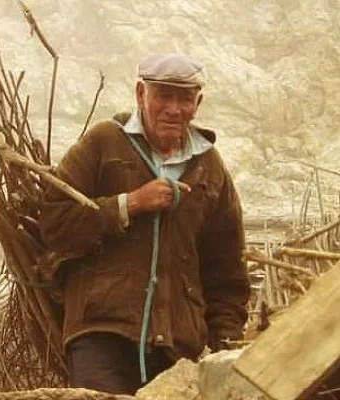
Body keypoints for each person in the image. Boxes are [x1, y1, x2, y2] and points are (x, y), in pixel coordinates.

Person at [38, 53, 250, 395]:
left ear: (198, 102)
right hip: (102, 332)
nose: (173, 108)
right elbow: (54, 222)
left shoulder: (209, 166)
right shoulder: (103, 142)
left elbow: (226, 270)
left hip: (179, 347)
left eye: (185, 98)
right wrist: (131, 203)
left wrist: (224, 340)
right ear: (140, 94)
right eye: (163, 95)